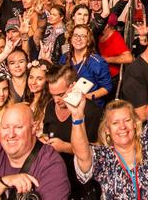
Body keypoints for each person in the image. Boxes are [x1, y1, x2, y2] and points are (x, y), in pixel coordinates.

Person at [70, 95, 148, 200]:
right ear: (107, 129)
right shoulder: (103, 157)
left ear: (135, 123)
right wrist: (77, 117)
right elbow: (82, 154)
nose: (122, 126)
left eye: (127, 120)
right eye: (115, 123)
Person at [0, 103, 70, 200]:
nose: (11, 134)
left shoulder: (50, 163)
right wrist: (3, 182)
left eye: (18, 127)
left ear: (33, 128)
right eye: (5, 127)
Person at [43, 65, 102, 199]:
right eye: (52, 95)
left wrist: (64, 147)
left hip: (81, 184)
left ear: (74, 86)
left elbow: (97, 151)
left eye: (60, 94)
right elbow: (46, 133)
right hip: (55, 178)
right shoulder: (51, 107)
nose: (56, 100)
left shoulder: (91, 111)